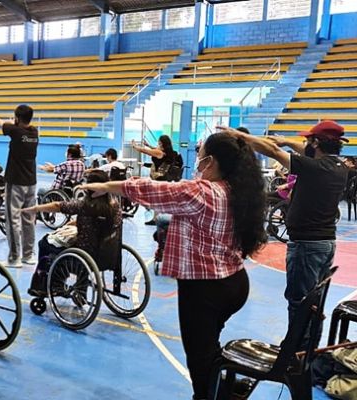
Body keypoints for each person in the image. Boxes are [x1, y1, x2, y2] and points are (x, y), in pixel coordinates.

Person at [79, 133, 267, 400]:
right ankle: (225, 389)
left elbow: (152, 190)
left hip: (205, 290)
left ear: (210, 161)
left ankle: (209, 394)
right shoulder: (238, 190)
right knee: (208, 345)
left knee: (199, 357)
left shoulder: (203, 192)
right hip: (234, 282)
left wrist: (108, 186)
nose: (197, 163)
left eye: (200, 156)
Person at [218, 121, 348, 349]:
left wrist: (237, 135)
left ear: (316, 143)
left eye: (309, 140)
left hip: (307, 247)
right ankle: (306, 348)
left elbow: (273, 152)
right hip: (324, 243)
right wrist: (288, 141)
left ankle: (295, 352)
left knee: (299, 302)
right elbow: (302, 150)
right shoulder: (338, 166)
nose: (305, 144)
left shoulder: (314, 168)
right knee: (312, 302)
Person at [22, 170, 122, 296]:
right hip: (107, 256)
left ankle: (53, 285)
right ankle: (81, 291)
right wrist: (77, 223)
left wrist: (36, 209)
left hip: (82, 258)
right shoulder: (115, 207)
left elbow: (58, 205)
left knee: (45, 243)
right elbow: (100, 224)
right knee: (83, 245)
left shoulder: (85, 205)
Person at [0, 105, 38, 268]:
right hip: (31, 183)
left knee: (13, 220)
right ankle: (28, 255)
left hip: (16, 182)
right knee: (28, 219)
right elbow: (11, 124)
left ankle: (14, 257)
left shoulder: (16, 132)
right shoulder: (34, 133)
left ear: (17, 118)